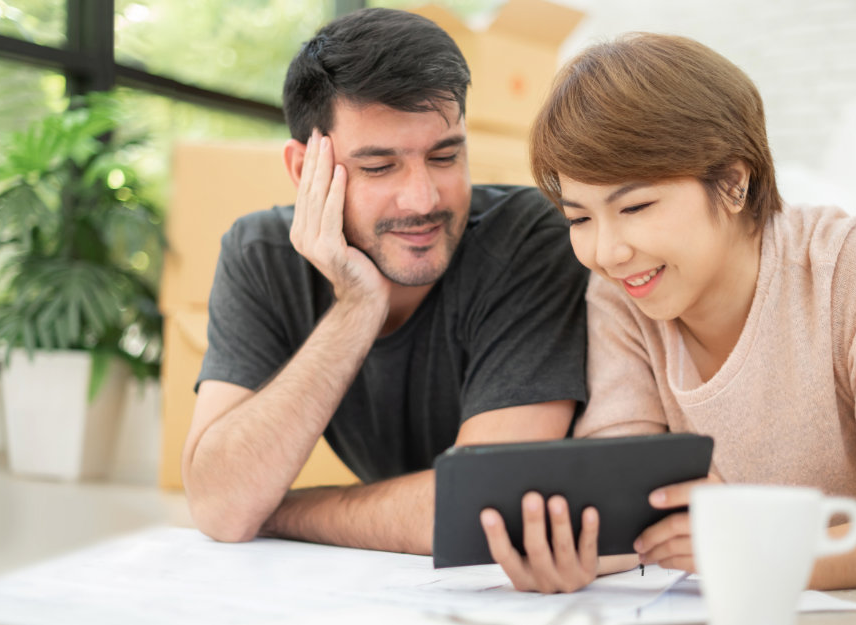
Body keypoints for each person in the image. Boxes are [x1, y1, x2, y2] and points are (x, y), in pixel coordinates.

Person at [482, 32, 856, 593]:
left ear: (733, 182)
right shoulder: (622, 294)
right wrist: (581, 552)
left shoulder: (851, 266)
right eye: (579, 219)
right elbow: (627, 496)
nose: (606, 252)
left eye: (637, 206)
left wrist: (753, 553)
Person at [180, 8, 593, 556]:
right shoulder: (260, 254)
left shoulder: (528, 239)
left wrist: (280, 510)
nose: (423, 200)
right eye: (379, 167)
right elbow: (218, 503)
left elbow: (483, 504)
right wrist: (356, 306)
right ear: (306, 171)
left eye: (445, 156)